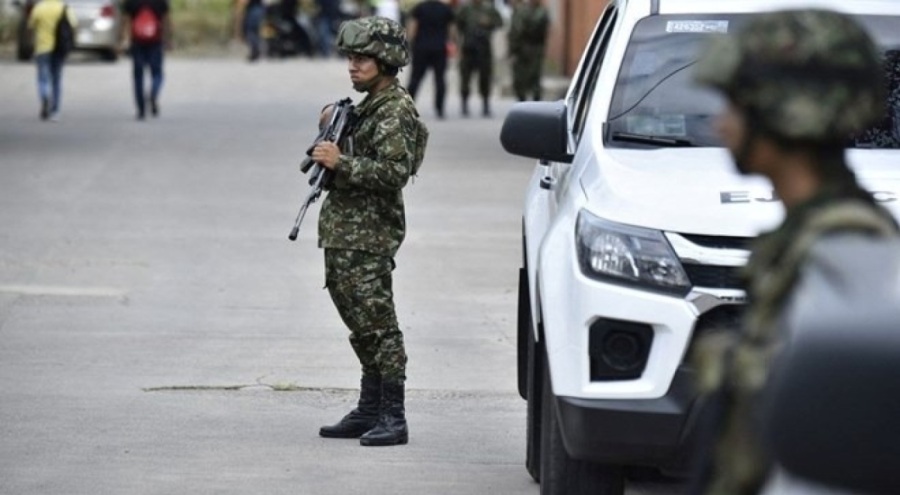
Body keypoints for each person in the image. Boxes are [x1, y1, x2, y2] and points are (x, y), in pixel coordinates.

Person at [690, 9, 900, 495]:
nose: (721, 125)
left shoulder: (848, 258)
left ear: (788, 111)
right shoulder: (804, 240)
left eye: (737, 106)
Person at [311, 16, 428, 447]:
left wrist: (339, 162)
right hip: (346, 232)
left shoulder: (395, 109)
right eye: (350, 58)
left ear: (385, 60)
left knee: (379, 324)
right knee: (359, 322)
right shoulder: (369, 106)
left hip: (369, 234)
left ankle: (393, 415)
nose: (352, 66)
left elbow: (394, 172)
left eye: (361, 58)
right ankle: (370, 407)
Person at [119, 0, 171, 120]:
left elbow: (126, 21)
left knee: (138, 76)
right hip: (155, 41)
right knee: (157, 73)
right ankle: (153, 92)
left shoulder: (131, 2)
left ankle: (141, 109)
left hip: (137, 42)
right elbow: (166, 21)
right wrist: (168, 39)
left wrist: (122, 40)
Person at [27, 0, 77, 121]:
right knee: (56, 79)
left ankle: (44, 96)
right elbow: (74, 25)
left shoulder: (39, 8)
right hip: (59, 48)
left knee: (43, 77)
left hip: (42, 47)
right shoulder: (64, 8)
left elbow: (31, 26)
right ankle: (55, 110)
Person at [405, 0, 456, 119]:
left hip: (421, 47)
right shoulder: (446, 9)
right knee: (440, 79)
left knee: (415, 79)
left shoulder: (420, 8)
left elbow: (413, 27)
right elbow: (451, 29)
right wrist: (452, 42)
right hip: (439, 48)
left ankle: (407, 107)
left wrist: (409, 43)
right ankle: (440, 109)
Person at [455, 0, 502, 117]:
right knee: (465, 77)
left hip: (484, 48)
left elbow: (500, 22)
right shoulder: (465, 9)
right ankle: (464, 104)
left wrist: (489, 23)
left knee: (485, 77)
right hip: (468, 48)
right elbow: (458, 24)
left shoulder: (489, 9)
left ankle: (485, 105)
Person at [507, 0, 548, 102]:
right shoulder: (521, 10)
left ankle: (535, 102)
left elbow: (527, 28)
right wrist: (513, 50)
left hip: (534, 48)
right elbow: (514, 32)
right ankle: (522, 101)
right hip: (521, 49)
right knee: (519, 78)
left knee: (534, 77)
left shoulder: (541, 12)